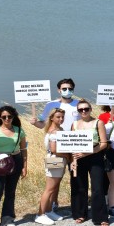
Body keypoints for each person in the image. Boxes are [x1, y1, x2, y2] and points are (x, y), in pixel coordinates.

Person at [29, 78, 78, 211]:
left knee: (73, 176)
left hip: (74, 145)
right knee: (53, 183)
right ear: (59, 90)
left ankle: (75, 204)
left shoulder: (78, 104)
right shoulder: (51, 105)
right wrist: (35, 123)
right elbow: (43, 124)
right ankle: (50, 207)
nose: (67, 91)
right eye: (64, 89)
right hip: (56, 150)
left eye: (70, 88)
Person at [70, 99, 110, 226]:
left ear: (91, 109)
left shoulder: (98, 122)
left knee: (97, 188)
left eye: (86, 109)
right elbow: (71, 143)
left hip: (95, 157)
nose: (83, 111)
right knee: (79, 187)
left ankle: (101, 217)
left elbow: (104, 143)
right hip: (78, 158)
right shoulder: (74, 124)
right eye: (81, 109)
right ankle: (80, 214)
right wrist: (73, 160)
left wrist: (87, 153)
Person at [35, 108, 69, 225]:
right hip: (55, 159)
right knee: (49, 189)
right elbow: (54, 150)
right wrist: (67, 156)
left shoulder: (60, 129)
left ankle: (49, 211)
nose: (61, 119)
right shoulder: (54, 131)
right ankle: (40, 214)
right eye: (58, 117)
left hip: (60, 159)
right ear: (52, 118)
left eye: (62, 117)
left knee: (54, 187)